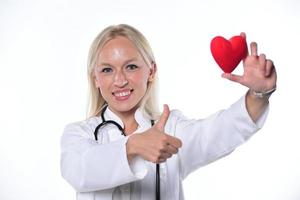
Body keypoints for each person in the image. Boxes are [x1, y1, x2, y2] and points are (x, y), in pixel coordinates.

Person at [60, 24, 277, 200]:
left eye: (131, 67)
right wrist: (133, 146)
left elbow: (216, 133)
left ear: (151, 71)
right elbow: (78, 170)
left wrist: (259, 94)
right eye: (107, 70)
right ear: (96, 79)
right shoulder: (80, 134)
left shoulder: (170, 128)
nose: (120, 80)